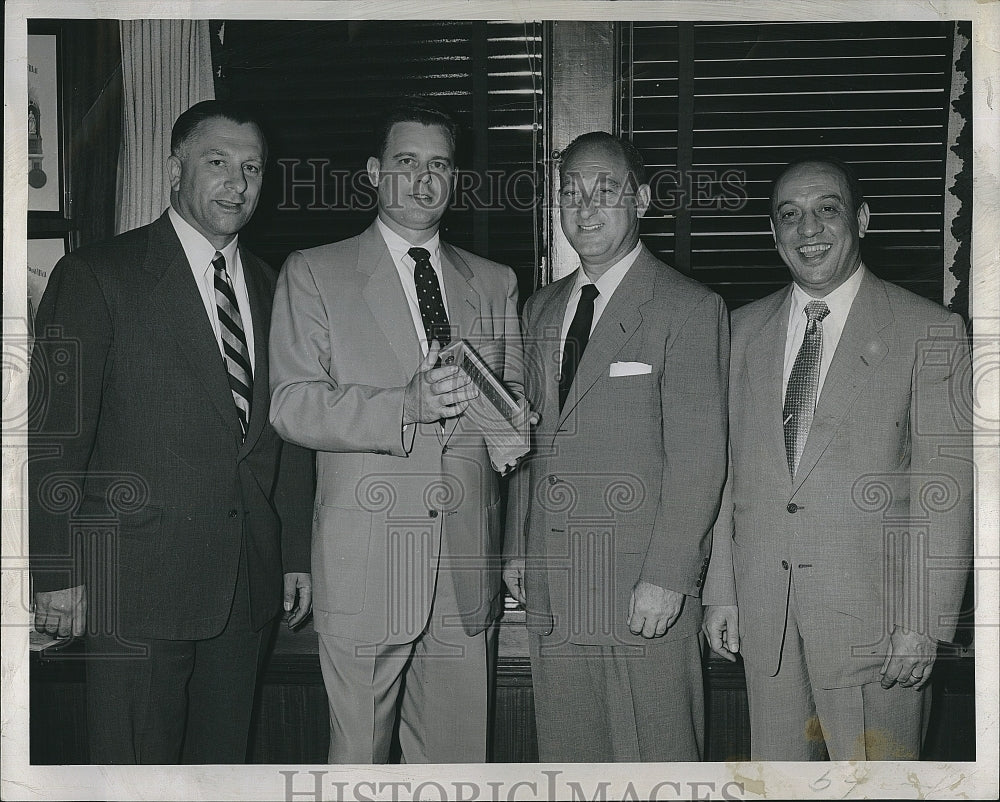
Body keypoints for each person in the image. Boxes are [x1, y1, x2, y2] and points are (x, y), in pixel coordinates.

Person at [28, 100, 314, 764]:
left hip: (247, 584)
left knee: (222, 769)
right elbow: (53, 438)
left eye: (252, 168)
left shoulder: (278, 290)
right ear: (174, 168)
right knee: (134, 769)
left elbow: (288, 433)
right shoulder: (98, 275)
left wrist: (296, 553)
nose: (237, 184)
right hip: (134, 586)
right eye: (217, 163)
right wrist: (56, 570)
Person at [268, 97, 525, 763]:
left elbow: (512, 409)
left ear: (455, 179)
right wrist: (405, 403)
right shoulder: (314, 273)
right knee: (358, 762)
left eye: (439, 164)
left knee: (457, 764)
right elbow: (292, 405)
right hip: (367, 560)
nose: (423, 178)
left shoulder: (496, 284)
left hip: (466, 561)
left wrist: (513, 425)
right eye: (406, 161)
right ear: (374, 172)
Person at [702, 157, 973, 760]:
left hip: (878, 631)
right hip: (766, 622)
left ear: (863, 219)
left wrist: (924, 624)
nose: (809, 229)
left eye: (828, 210)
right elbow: (728, 478)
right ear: (773, 233)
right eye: (790, 216)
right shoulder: (739, 332)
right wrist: (722, 590)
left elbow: (946, 493)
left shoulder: (929, 330)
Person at [503, 131, 729, 761]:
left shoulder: (688, 307)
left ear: (643, 199)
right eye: (570, 192)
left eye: (605, 190)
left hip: (640, 585)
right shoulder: (540, 309)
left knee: (656, 756)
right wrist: (518, 546)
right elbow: (530, 438)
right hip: (555, 580)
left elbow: (701, 458)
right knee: (571, 760)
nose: (585, 206)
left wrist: (667, 576)